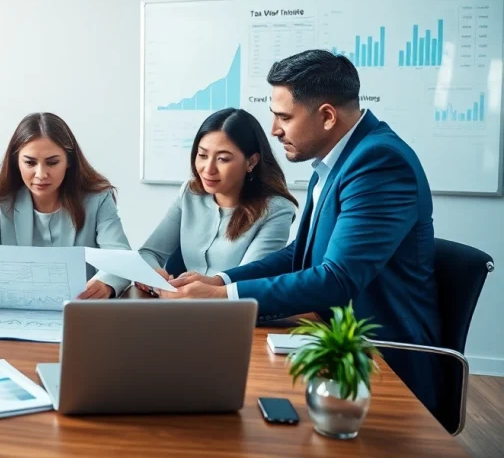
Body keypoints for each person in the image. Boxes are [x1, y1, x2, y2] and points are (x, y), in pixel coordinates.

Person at [158, 50, 440, 412]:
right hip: (328, 342)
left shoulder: (378, 162)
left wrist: (223, 298)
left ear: (326, 116)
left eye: (283, 117)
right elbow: (299, 255)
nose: (274, 130)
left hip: (377, 360)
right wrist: (221, 282)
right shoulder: (337, 160)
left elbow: (337, 279)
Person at [0, 112, 131, 305]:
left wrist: (105, 285)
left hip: (79, 310)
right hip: (16, 307)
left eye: (52, 163)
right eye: (30, 163)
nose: (41, 174)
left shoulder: (97, 198)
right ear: (16, 161)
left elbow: (121, 257)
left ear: (69, 161)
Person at [137, 108, 297, 285]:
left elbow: (249, 278)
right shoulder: (190, 193)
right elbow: (149, 253)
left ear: (251, 162)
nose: (208, 169)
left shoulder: (277, 209)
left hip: (231, 309)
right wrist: (154, 273)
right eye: (203, 155)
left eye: (223, 159)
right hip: (182, 304)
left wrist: (209, 285)